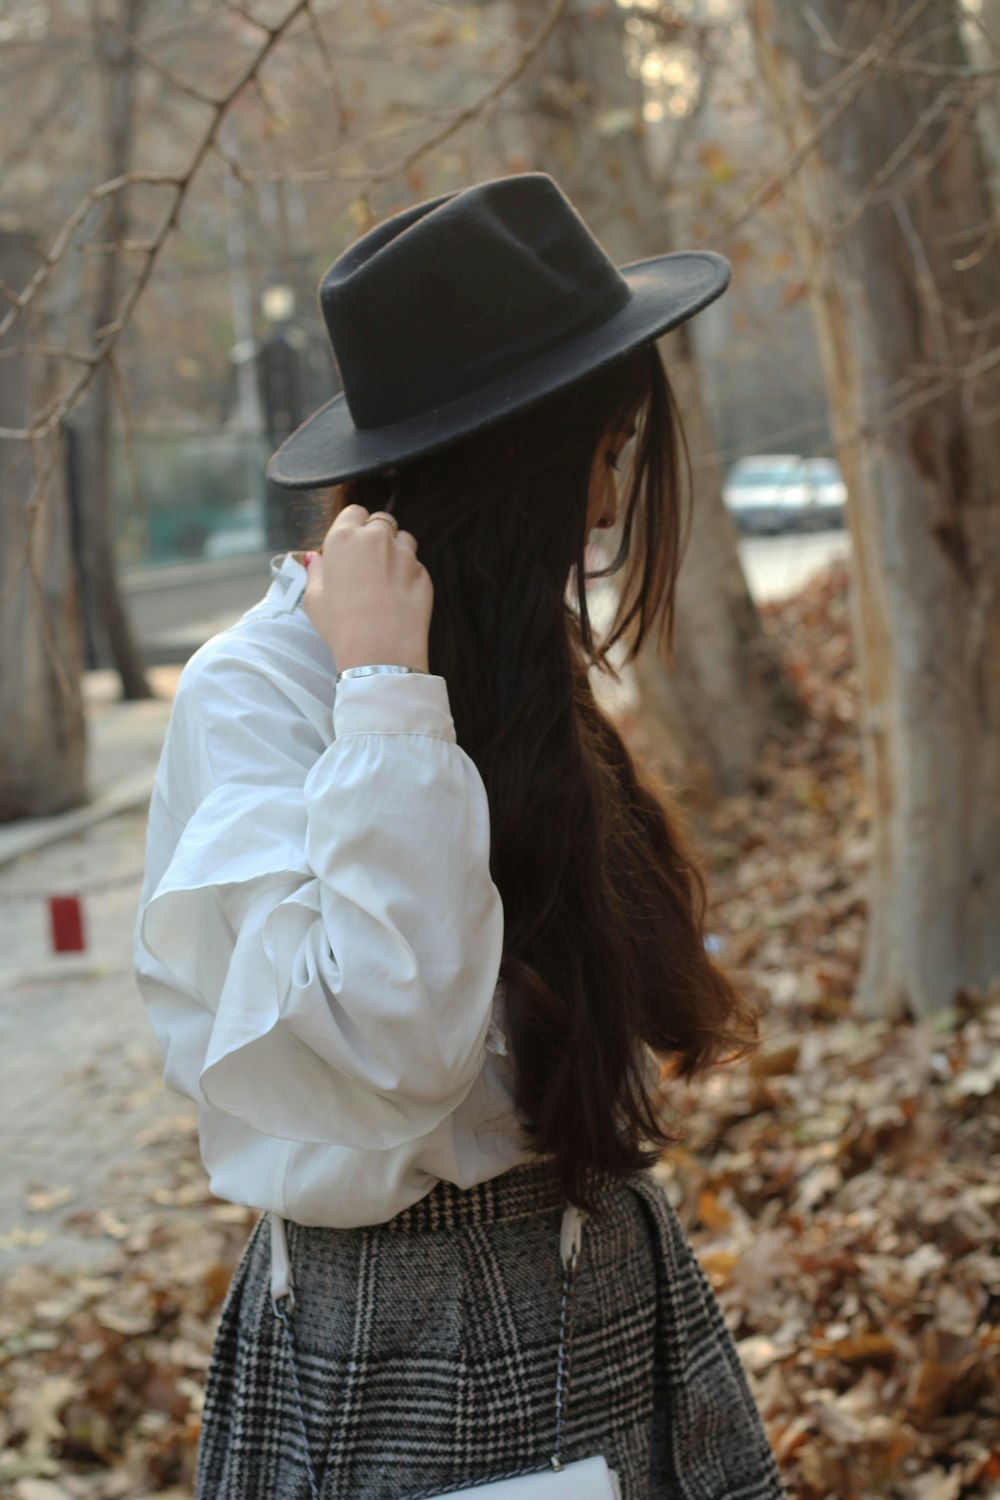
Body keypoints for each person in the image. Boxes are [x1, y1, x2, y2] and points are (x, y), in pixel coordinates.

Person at [133, 173, 786, 1500]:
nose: (607, 509)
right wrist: (382, 698)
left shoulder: (498, 655)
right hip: (401, 1335)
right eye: (602, 455)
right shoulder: (266, 692)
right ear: (525, 469)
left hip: (599, 1286)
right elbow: (393, 1045)